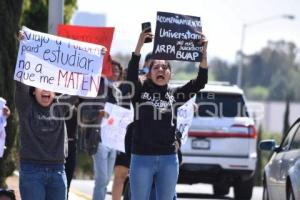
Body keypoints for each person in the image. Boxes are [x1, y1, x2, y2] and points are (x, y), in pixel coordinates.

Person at [127, 28, 208, 200]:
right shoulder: (139, 92)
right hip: (142, 158)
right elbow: (132, 74)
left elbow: (200, 82)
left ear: (170, 74)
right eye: (156, 67)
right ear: (149, 73)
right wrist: (140, 44)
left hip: (168, 160)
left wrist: (203, 52)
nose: (161, 69)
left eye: (165, 67)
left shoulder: (175, 95)